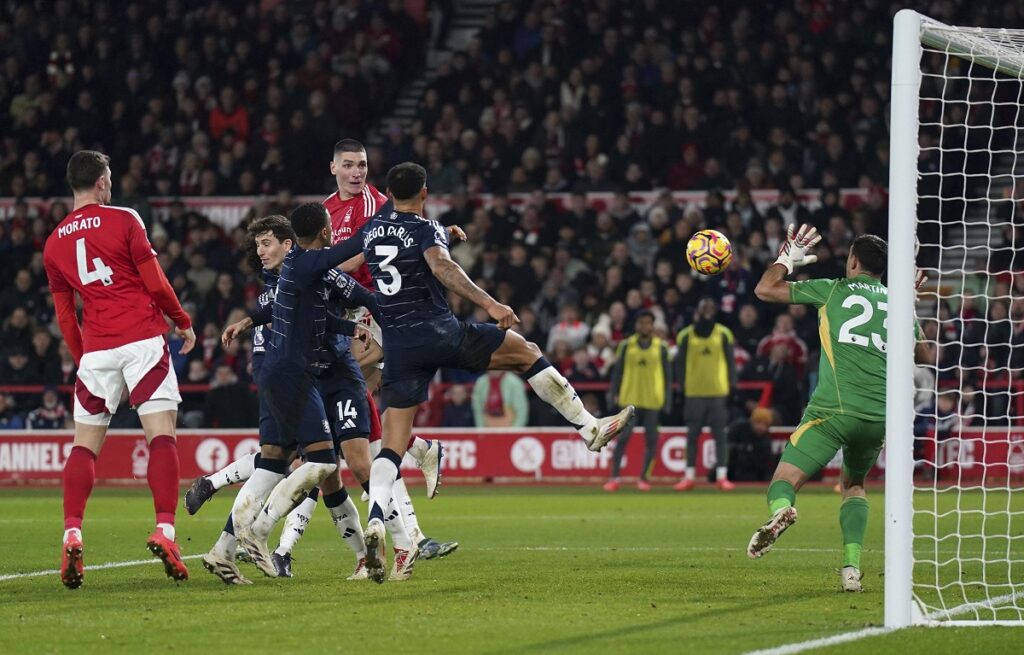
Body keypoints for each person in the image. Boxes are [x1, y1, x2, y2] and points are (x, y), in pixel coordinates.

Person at [328, 162, 634, 583]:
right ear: (425, 192)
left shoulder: (373, 228)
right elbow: (442, 267)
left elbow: (348, 264)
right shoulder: (427, 228)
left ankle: (378, 518)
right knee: (526, 353)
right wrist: (490, 304)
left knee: (392, 448)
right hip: (441, 333)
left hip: (399, 348)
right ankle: (588, 427)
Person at [746, 225, 930, 593]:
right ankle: (850, 570)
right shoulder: (895, 300)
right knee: (855, 484)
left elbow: (765, 289)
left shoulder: (832, 289)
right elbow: (924, 356)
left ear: (853, 261)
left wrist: (786, 258)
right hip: (879, 418)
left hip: (832, 412)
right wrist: (906, 303)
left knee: (785, 480)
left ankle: (781, 511)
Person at [43, 150, 196, 589]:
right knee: (161, 435)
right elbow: (154, 280)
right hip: (142, 340)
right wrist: (182, 321)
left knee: (84, 447)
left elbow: (65, 316)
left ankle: (72, 530)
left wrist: (84, 358)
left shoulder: (53, 243)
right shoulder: (125, 219)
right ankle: (166, 530)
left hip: (97, 351)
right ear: (103, 183)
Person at [227, 204, 371, 579]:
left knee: (308, 465)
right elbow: (349, 252)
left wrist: (352, 326)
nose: (261, 252)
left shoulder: (300, 272)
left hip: (313, 372)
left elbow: (333, 306)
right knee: (319, 466)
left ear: (289, 244)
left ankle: (227, 545)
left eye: (266, 243)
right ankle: (254, 534)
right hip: (297, 376)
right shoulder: (293, 272)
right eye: (257, 245)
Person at [604, 310, 672, 492]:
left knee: (651, 440)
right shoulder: (626, 346)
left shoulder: (661, 347)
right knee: (622, 438)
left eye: (648, 323)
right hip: (630, 400)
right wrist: (613, 394)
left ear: (653, 325)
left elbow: (668, 376)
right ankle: (615, 477)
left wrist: (668, 401)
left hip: (653, 400)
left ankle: (643, 478)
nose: (644, 326)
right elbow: (617, 373)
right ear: (637, 325)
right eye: (641, 323)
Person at [673, 298, 737, 491]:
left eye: (711, 308)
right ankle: (689, 476)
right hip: (694, 393)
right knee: (692, 435)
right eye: (704, 308)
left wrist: (732, 386)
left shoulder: (724, 333)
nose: (707, 311)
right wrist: (682, 387)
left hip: (718, 392)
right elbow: (679, 364)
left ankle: (721, 477)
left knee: (720, 436)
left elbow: (730, 362)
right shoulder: (685, 335)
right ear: (697, 311)